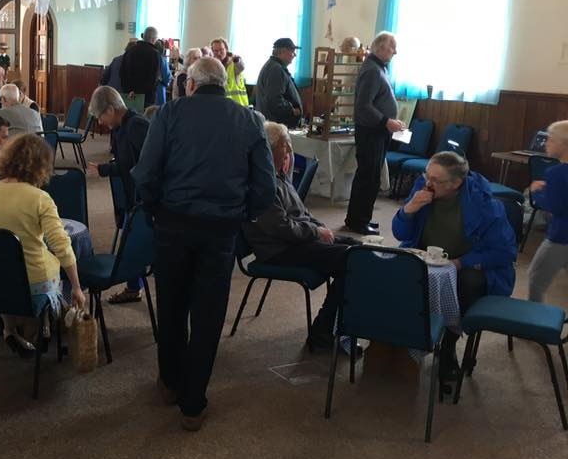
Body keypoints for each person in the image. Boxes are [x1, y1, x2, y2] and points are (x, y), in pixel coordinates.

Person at [133, 57, 275, 431]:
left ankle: (169, 382)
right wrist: (243, 214)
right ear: (222, 84)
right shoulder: (249, 119)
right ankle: (193, 405)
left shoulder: (170, 113)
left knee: (173, 304)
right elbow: (266, 187)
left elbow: (146, 172)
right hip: (221, 230)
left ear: (190, 84)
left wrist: (152, 209)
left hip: (173, 224)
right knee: (209, 314)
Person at [393, 151, 516, 389]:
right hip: (424, 262)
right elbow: (400, 234)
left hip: (465, 269)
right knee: (392, 269)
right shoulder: (422, 189)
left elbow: (504, 252)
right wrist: (409, 209)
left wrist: (461, 262)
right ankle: (398, 344)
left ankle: (448, 346)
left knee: (468, 281)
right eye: (426, 175)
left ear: (456, 183)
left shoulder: (485, 205)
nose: (427, 183)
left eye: (435, 180)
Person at [241, 122, 358, 349]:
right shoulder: (261, 182)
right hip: (279, 249)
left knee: (356, 249)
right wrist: (316, 231)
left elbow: (301, 213)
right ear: (271, 148)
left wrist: (319, 228)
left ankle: (332, 327)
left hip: (294, 241)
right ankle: (322, 332)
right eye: (286, 145)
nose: (290, 151)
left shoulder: (277, 174)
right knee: (353, 259)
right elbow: (280, 227)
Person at [0, 134, 87, 357]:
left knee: (7, 264)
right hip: (33, 288)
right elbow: (61, 245)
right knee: (48, 262)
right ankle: (44, 325)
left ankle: (9, 330)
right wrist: (75, 286)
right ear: (40, 166)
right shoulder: (40, 198)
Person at [86, 85, 150, 304]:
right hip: (134, 196)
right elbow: (125, 163)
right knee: (132, 243)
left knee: (136, 245)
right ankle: (134, 288)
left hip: (145, 199)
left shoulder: (137, 126)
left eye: (100, 116)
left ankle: (136, 288)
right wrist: (104, 169)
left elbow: (145, 164)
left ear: (112, 109)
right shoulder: (121, 128)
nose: (101, 122)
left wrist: (106, 170)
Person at [345, 31, 406, 235]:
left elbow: (378, 102)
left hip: (378, 131)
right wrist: (386, 121)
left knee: (371, 177)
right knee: (368, 177)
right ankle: (358, 221)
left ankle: (362, 218)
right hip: (370, 131)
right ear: (380, 46)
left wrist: (391, 121)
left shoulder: (379, 68)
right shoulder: (372, 70)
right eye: (392, 47)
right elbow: (363, 106)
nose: (395, 51)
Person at [528, 120, 568, 303]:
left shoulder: (556, 173)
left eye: (551, 140)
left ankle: (534, 323)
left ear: (564, 144)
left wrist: (537, 192)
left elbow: (554, 207)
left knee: (536, 278)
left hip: (560, 236)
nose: (546, 143)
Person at [253, 37, 303, 127]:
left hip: (273, 123)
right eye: (292, 51)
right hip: (276, 125)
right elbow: (274, 100)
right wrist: (292, 110)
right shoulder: (276, 69)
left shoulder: (273, 66)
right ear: (283, 51)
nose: (294, 55)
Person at [120, 26, 161, 106]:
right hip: (146, 99)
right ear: (153, 39)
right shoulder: (154, 54)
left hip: (128, 96)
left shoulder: (130, 51)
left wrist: (129, 91)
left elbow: (122, 73)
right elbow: (153, 79)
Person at [209, 37, 248, 107]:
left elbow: (241, 67)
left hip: (237, 107)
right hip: (221, 106)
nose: (219, 53)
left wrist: (236, 60)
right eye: (215, 50)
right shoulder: (212, 66)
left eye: (221, 50)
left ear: (226, 49)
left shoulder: (234, 64)